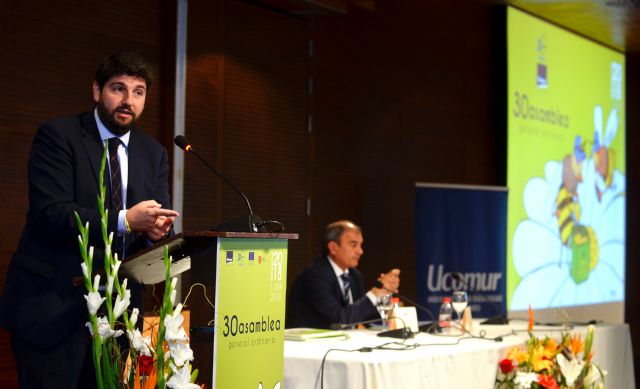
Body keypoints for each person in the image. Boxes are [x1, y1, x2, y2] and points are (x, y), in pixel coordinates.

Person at [1, 51, 179, 389]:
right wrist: (127, 220)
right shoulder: (58, 136)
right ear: (97, 91)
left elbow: (157, 218)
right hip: (54, 308)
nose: (129, 100)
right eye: (119, 89)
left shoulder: (153, 152)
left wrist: (158, 231)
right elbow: (52, 212)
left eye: (138, 92)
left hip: (117, 314)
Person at [288, 220, 401, 329]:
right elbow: (340, 321)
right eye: (353, 245)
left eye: (360, 245)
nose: (360, 251)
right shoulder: (315, 275)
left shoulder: (354, 275)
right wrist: (375, 293)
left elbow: (363, 318)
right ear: (333, 247)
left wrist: (384, 295)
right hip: (311, 344)